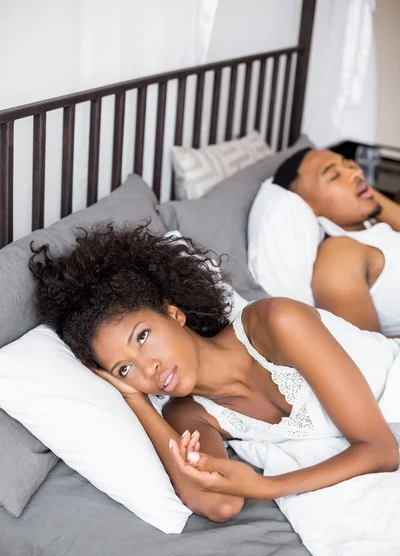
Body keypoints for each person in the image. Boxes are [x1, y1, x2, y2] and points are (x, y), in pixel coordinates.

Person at [29, 223, 400, 520]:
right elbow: (219, 505)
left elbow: (381, 450)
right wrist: (136, 401)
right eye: (124, 368)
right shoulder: (187, 413)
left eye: (142, 336)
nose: (148, 368)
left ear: (174, 313)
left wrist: (266, 487)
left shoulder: (277, 323)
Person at [273, 148, 400, 337]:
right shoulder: (339, 255)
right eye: (334, 175)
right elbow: (368, 352)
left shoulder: (372, 226)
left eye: (349, 164)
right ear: (308, 207)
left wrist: (360, 188)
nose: (357, 172)